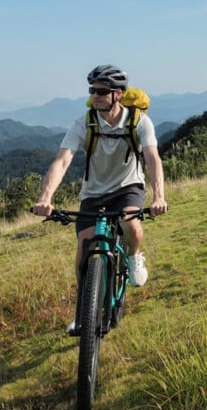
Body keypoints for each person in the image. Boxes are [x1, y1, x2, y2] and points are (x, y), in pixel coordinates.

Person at [32, 64, 168, 333]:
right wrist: (45, 198)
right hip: (93, 193)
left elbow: (152, 158)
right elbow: (62, 160)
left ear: (118, 94)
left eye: (102, 91)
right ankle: (84, 313)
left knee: (130, 223)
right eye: (92, 90)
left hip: (128, 186)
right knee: (84, 247)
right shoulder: (85, 123)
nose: (95, 95)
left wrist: (158, 197)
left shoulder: (139, 121)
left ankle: (134, 255)